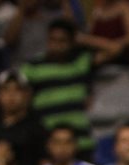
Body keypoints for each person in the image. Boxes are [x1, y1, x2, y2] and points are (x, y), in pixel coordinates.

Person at [21, 19, 93, 156]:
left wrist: (82, 38)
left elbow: (115, 48)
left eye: (62, 41)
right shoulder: (32, 66)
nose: (56, 45)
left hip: (80, 141)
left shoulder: (81, 61)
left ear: (72, 42)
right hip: (46, 141)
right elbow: (21, 99)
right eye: (52, 40)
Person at [0, 69, 47, 165]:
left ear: (27, 94)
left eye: (17, 90)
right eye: (5, 90)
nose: (11, 95)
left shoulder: (36, 127)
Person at [79, 0, 129, 67]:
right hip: (100, 53)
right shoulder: (97, 11)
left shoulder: (126, 8)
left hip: (121, 55)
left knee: (113, 49)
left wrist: (110, 45)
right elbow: (90, 36)